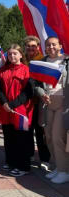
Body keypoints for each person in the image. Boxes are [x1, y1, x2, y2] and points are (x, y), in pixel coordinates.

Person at [33, 37, 69, 184]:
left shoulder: (66, 61)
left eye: (54, 44)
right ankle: (57, 166)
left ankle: (64, 171)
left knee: (57, 137)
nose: (51, 47)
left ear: (60, 46)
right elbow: (36, 84)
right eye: (48, 45)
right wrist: (42, 94)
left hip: (63, 103)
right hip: (47, 103)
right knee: (47, 136)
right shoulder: (43, 61)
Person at [0, 44, 33, 177]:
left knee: (21, 138)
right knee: (8, 136)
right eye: (10, 54)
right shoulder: (2, 70)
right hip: (5, 108)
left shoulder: (26, 70)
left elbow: (27, 92)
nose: (12, 56)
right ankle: (10, 161)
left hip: (20, 109)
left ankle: (23, 165)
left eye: (15, 54)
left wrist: (12, 104)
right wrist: (4, 103)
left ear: (21, 55)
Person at [24, 36, 50, 167]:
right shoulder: (23, 60)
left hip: (39, 101)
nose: (30, 48)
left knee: (40, 131)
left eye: (33, 46)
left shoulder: (42, 60)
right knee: (27, 130)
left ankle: (45, 159)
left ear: (38, 46)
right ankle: (29, 155)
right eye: (28, 46)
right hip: (26, 102)